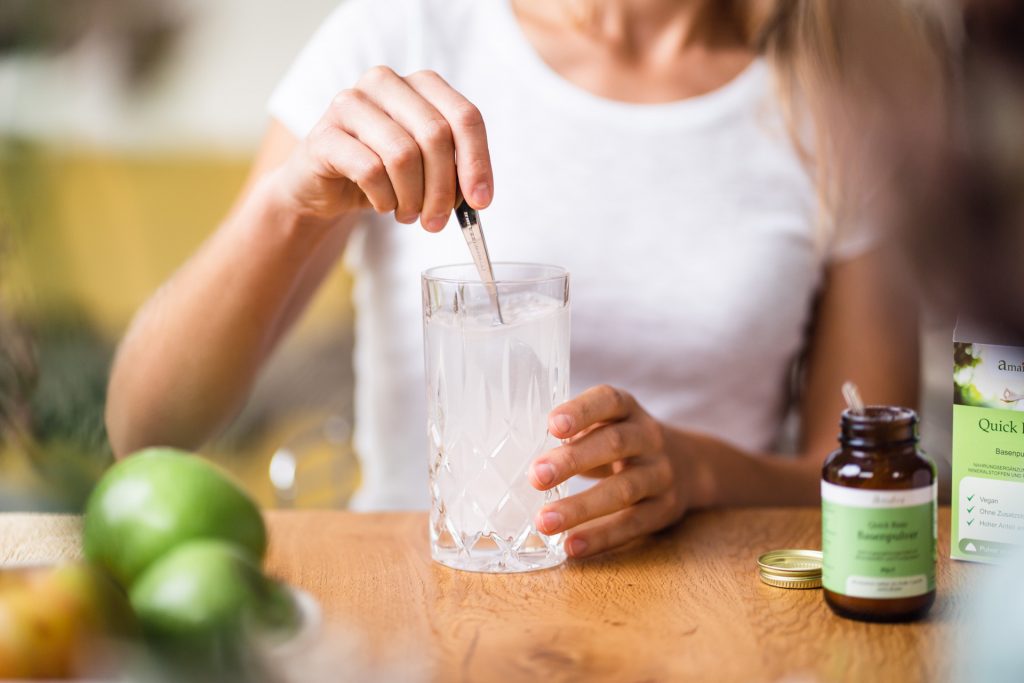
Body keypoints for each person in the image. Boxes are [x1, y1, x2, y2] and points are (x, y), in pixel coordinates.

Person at [105, 0, 947, 558]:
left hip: (710, 616)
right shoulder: (402, 33)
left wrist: (699, 472)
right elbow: (146, 425)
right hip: (422, 607)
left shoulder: (839, 88)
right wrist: (286, 206)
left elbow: (874, 479)